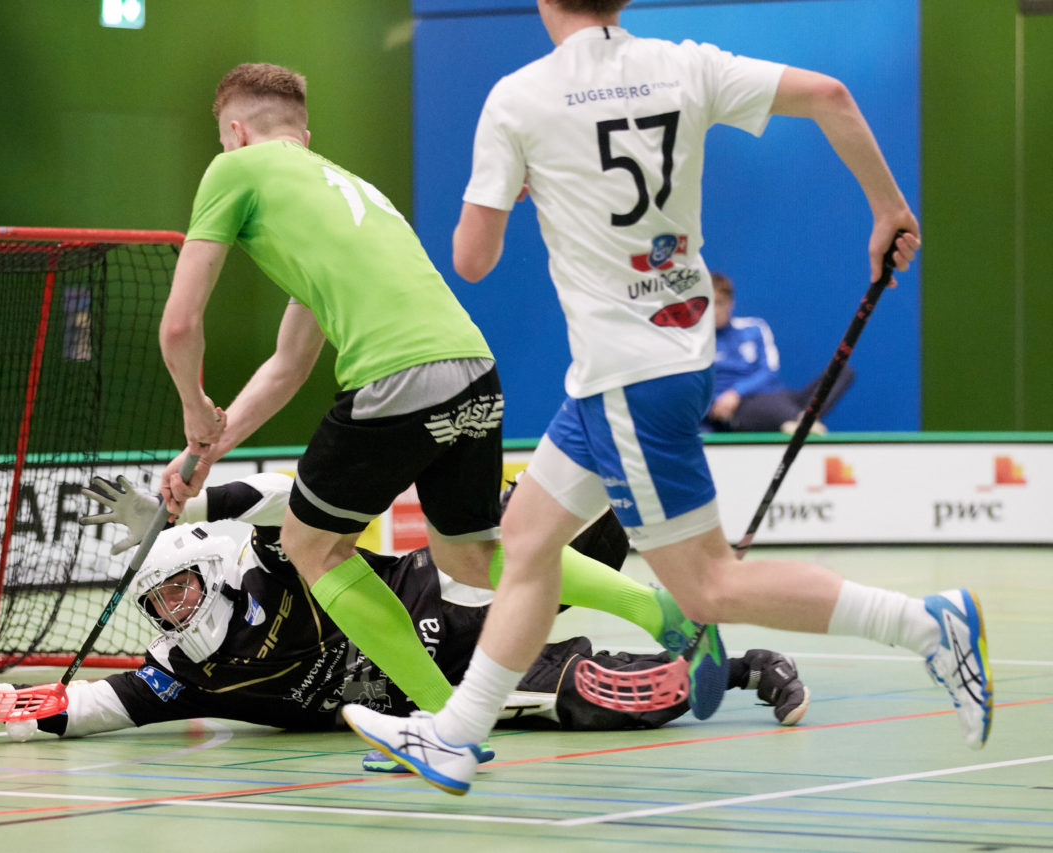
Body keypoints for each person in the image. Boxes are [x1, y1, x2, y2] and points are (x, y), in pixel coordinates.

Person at [341, 0, 989, 797]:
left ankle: (926, 622)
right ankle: (455, 735)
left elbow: (472, 259)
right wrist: (889, 209)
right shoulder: (686, 64)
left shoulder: (519, 98)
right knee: (529, 539)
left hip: (629, 379)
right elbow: (831, 95)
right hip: (644, 369)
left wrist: (524, 185)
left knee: (707, 586)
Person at [0, 472, 809, 767]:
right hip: (439, 694)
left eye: (176, 592)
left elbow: (287, 490)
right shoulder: (187, 671)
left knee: (559, 524)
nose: (172, 616)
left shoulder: (268, 550)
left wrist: (175, 505)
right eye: (158, 607)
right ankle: (744, 667)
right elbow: (79, 708)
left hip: (438, 596)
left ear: (208, 567)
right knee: (591, 694)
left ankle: (688, 590)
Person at [154, 61, 507, 725]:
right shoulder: (350, 199)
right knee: (473, 558)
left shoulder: (235, 169)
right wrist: (204, 450)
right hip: (475, 368)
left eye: (225, 140)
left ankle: (446, 725)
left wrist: (193, 406)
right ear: (305, 138)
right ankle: (661, 609)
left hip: (398, 375)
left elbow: (178, 326)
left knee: (311, 545)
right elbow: (288, 365)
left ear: (236, 132)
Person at [704, 272, 855, 434]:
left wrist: (736, 392)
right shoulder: (695, 341)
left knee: (842, 371)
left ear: (730, 303)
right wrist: (721, 401)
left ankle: (801, 418)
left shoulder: (754, 327)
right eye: (709, 303)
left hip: (777, 396)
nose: (714, 310)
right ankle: (799, 422)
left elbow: (769, 370)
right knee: (766, 408)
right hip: (739, 408)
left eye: (719, 303)